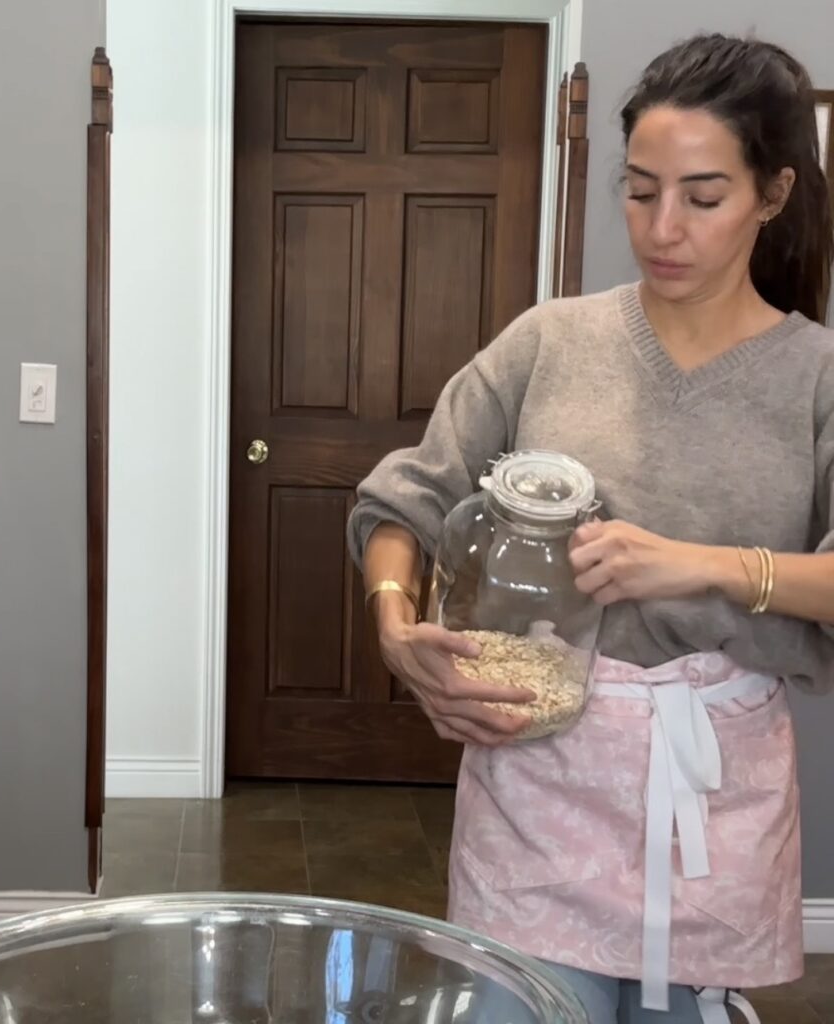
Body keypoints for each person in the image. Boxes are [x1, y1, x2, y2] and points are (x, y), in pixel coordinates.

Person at [346, 33, 834, 1024]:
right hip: (537, 770)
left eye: (702, 197)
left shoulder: (812, 375)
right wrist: (397, 628)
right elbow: (404, 498)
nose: (661, 227)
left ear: (772, 194)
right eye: (639, 188)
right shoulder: (550, 342)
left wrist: (694, 566)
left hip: (704, 788)